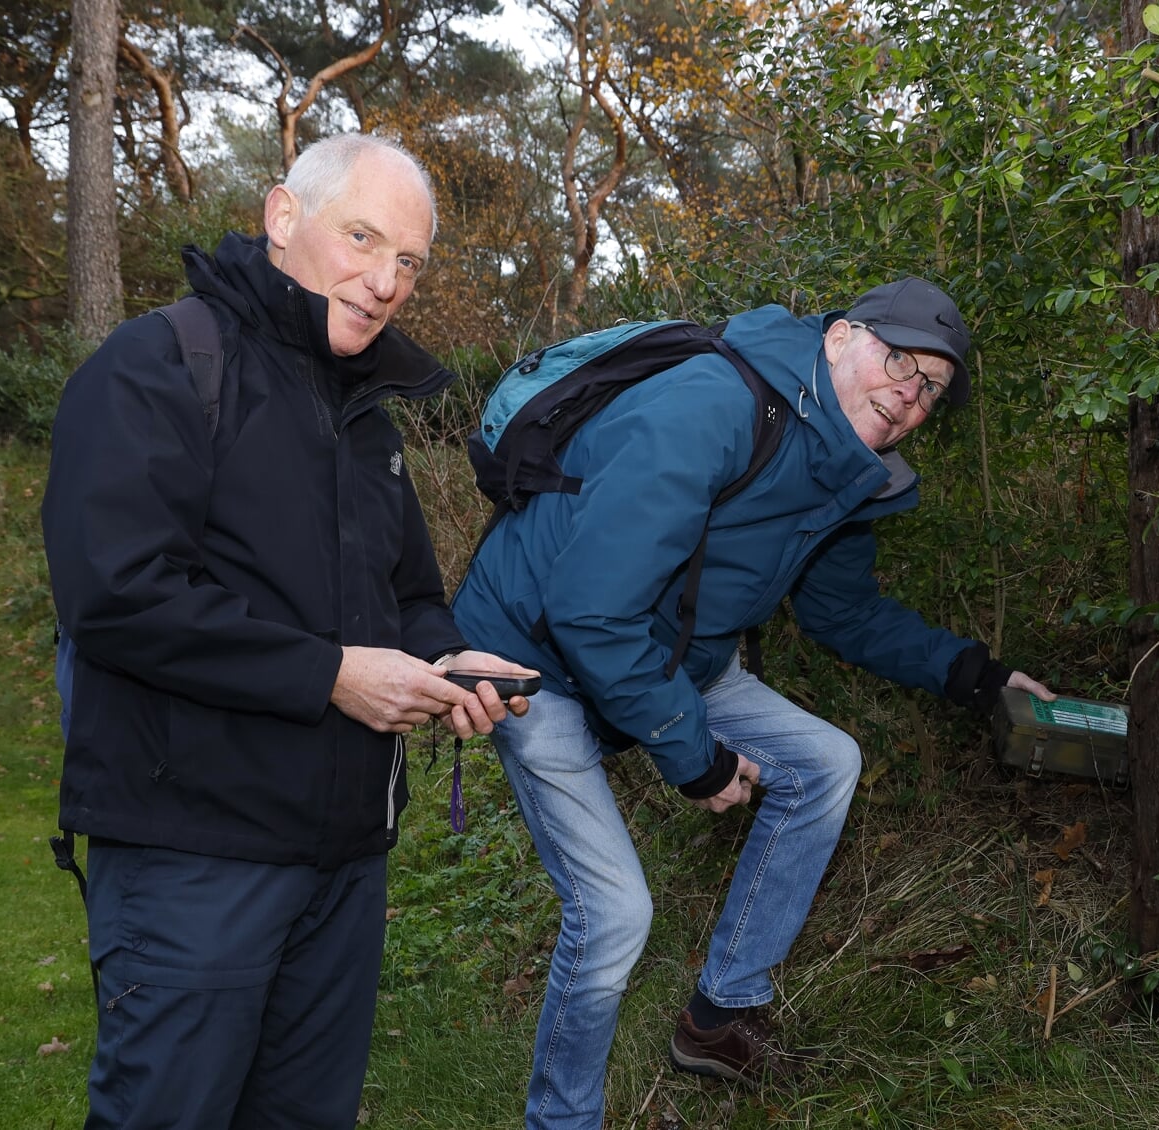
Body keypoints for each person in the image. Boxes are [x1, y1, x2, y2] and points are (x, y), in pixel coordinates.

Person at [451, 277, 1053, 1128]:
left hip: (665, 655)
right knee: (618, 909)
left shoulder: (851, 474)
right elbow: (588, 607)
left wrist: (981, 676)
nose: (909, 397)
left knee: (826, 764)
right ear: (842, 336)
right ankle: (562, 1119)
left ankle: (718, 1016)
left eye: (931, 391)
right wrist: (693, 757)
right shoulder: (715, 406)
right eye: (900, 363)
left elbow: (844, 614)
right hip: (529, 653)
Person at [41, 133, 536, 1130]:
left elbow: (407, 593)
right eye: (363, 237)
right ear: (282, 217)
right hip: (194, 852)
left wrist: (447, 655)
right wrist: (329, 674)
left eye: (409, 261)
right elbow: (118, 591)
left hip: (345, 859)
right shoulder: (161, 363)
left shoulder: (368, 415)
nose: (385, 279)